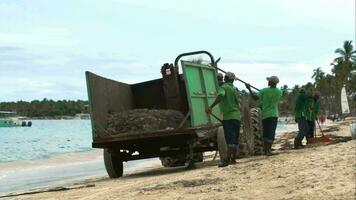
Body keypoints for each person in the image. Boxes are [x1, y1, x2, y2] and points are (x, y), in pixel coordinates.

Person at [206, 72, 241, 167]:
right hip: (237, 116)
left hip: (228, 117)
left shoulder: (224, 87)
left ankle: (226, 161)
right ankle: (233, 159)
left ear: (225, 78)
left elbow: (221, 95)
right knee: (235, 139)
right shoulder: (235, 89)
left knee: (230, 140)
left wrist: (211, 106)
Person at [245, 76, 282, 156]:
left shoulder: (264, 90)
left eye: (269, 81)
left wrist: (249, 89)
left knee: (266, 133)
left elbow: (255, 98)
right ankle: (268, 151)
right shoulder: (279, 92)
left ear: (272, 82)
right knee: (271, 133)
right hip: (274, 114)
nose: (267, 82)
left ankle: (266, 151)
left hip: (265, 115)